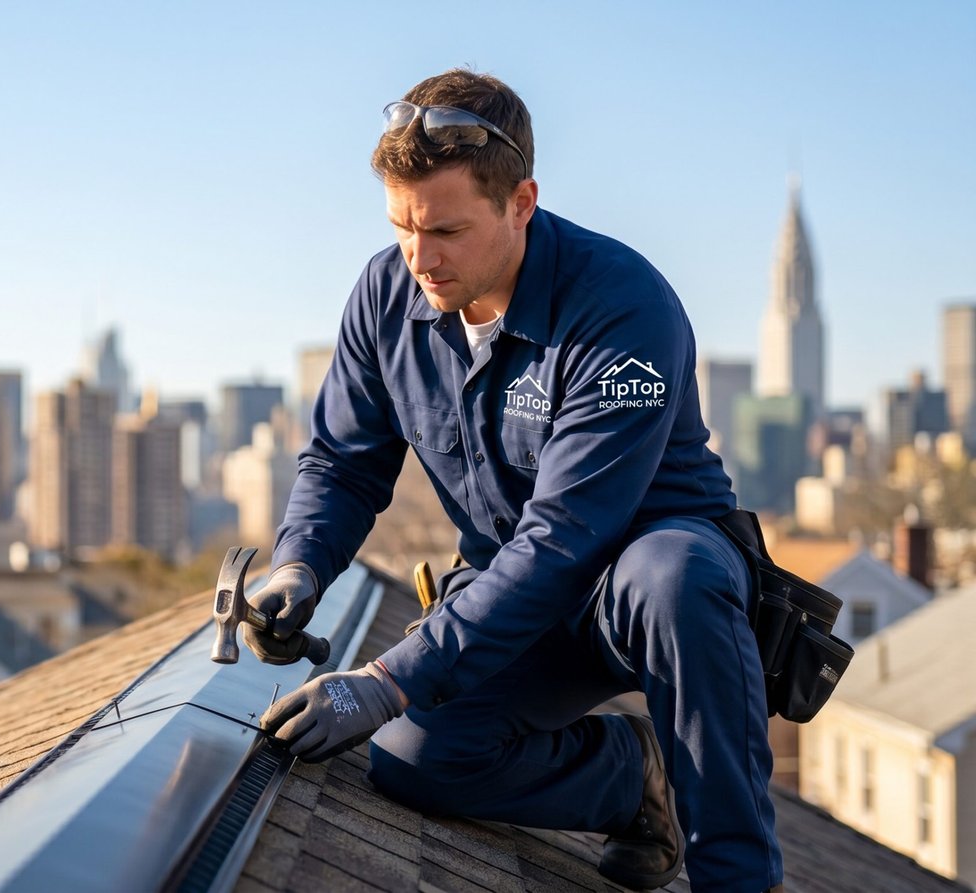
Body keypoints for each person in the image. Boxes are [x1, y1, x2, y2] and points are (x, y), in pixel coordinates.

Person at [254, 69, 783, 892]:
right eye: (402, 226)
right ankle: (630, 777)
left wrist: (388, 676)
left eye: (447, 230)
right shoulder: (387, 294)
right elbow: (342, 461)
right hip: (516, 592)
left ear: (521, 202)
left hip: (641, 590)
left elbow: (568, 538)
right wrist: (299, 564)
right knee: (414, 755)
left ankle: (735, 874)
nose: (420, 258)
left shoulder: (621, 306)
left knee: (676, 573)